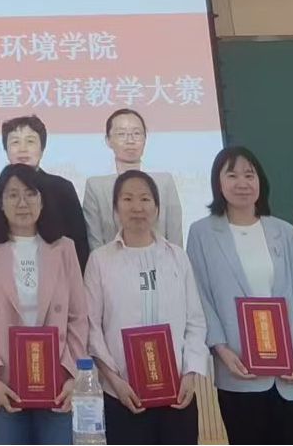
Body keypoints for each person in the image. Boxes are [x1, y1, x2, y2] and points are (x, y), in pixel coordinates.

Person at [187, 146, 293, 445]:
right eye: (232, 175)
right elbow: (200, 295)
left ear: (261, 181)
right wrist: (222, 350)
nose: (242, 183)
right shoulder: (201, 233)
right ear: (218, 183)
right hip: (239, 370)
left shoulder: (285, 232)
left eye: (249, 175)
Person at [85, 170, 206, 446]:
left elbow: (195, 322)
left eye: (145, 198)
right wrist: (114, 381)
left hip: (177, 393)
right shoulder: (100, 260)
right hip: (123, 395)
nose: (137, 207)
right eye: (127, 199)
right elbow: (91, 327)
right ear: (115, 209)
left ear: (157, 207)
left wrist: (190, 375)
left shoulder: (177, 257)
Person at [0, 164, 88, 445]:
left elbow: (78, 317)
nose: (22, 203)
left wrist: (72, 374)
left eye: (30, 194)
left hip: (58, 384)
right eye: (13, 195)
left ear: (42, 200)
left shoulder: (64, 248)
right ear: (0, 202)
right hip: (1, 385)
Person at [0, 116, 90, 269]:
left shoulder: (62, 187)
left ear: (42, 149)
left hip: (57, 273)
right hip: (5, 273)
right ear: (6, 150)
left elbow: (80, 244)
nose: (23, 148)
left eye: (30, 141)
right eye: (15, 142)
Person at [83, 109, 184, 251]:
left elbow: (175, 237)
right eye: (121, 134)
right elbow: (95, 241)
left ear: (145, 138)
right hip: (111, 262)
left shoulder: (164, 181)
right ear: (108, 140)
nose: (130, 140)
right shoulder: (95, 186)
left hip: (161, 262)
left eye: (136, 133)